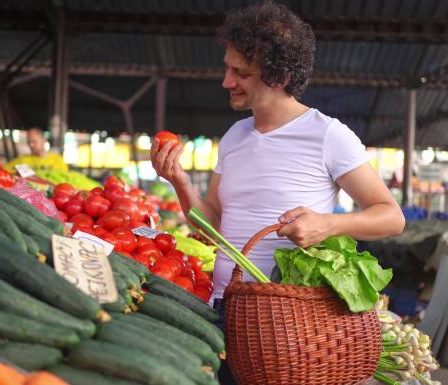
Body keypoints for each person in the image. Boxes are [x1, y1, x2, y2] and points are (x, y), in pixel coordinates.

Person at [151, 2, 405, 303]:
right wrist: (179, 181)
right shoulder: (234, 137)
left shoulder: (328, 135)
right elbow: (215, 225)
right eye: (227, 67)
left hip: (285, 319)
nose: (226, 81)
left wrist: (327, 224)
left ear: (279, 78)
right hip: (222, 305)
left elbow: (391, 217)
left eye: (241, 73)